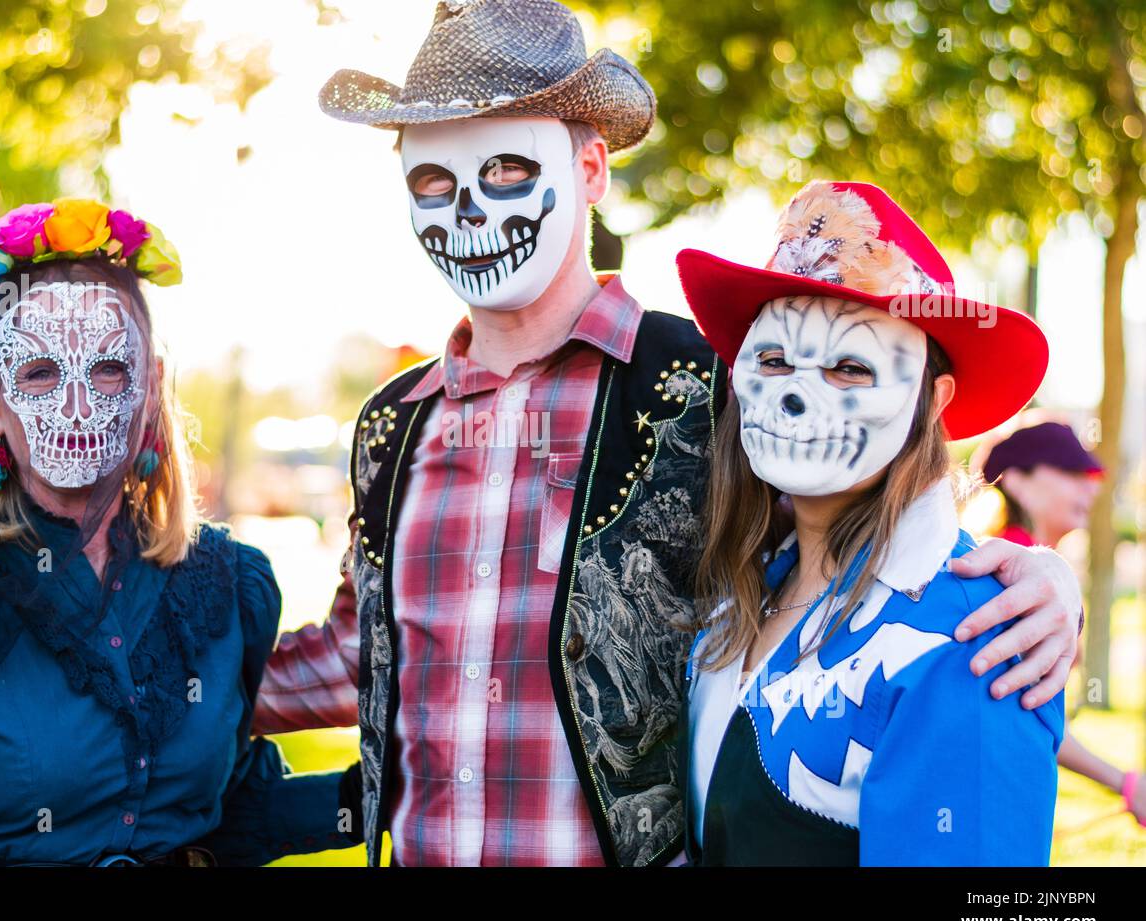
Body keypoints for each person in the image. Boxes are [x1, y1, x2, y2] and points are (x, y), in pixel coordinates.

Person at [253, 0, 1084, 867]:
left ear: (591, 170)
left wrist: (1041, 578)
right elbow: (365, 650)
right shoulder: (395, 427)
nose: (465, 208)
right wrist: (149, 685)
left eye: (506, 166)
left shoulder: (711, 389)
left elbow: (864, 517)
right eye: (432, 178)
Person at [0, 200, 348, 866]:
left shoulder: (225, 584)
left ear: (150, 388)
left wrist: (386, 792)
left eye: (109, 368)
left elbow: (224, 812)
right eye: (40, 372)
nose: (77, 405)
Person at [677, 181, 1065, 865]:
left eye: (851, 366)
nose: (799, 394)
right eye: (773, 359)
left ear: (932, 396)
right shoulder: (744, 590)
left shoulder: (972, 635)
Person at [977, 422, 1145, 828]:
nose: (1091, 488)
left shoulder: (1039, 577)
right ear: (1017, 482)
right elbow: (1027, 711)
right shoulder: (1005, 581)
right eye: (1071, 474)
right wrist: (1126, 784)